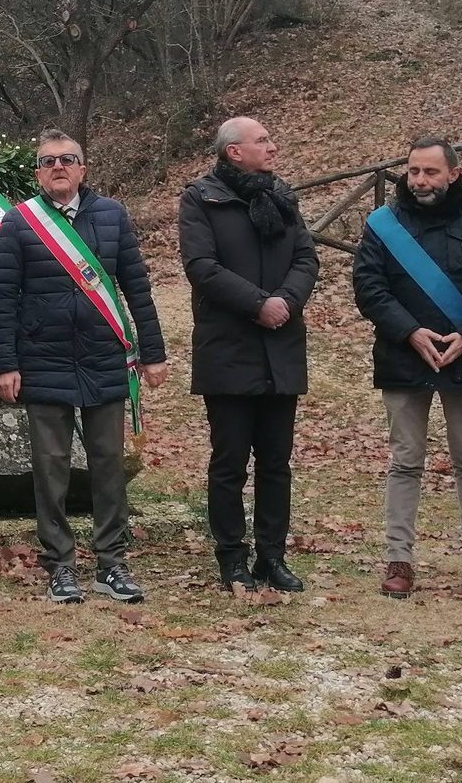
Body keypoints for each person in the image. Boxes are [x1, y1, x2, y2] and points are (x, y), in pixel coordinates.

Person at [0, 130, 168, 605]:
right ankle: (60, 564)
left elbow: (137, 287)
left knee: (109, 463)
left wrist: (153, 352)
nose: (58, 167)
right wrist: (5, 364)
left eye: (67, 159)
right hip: (43, 360)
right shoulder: (19, 222)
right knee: (51, 467)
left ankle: (112, 562)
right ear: (37, 173)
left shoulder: (112, 215)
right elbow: (2, 298)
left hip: (103, 357)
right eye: (48, 161)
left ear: (83, 168)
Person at [352, 138, 462, 601]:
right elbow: (369, 286)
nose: (420, 181)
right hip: (404, 355)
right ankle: (399, 560)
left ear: (454, 174)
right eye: (413, 172)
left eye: (430, 172)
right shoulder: (384, 225)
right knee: (405, 461)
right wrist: (410, 332)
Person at [177, 117, 319, 592]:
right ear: (234, 151)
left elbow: (306, 258)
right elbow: (202, 266)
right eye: (263, 140)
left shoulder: (282, 196)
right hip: (228, 350)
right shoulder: (201, 199)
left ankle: (271, 557)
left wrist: (286, 301)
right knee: (230, 463)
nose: (272, 147)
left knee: (276, 463)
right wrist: (258, 304)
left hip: (281, 348)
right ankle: (232, 557)